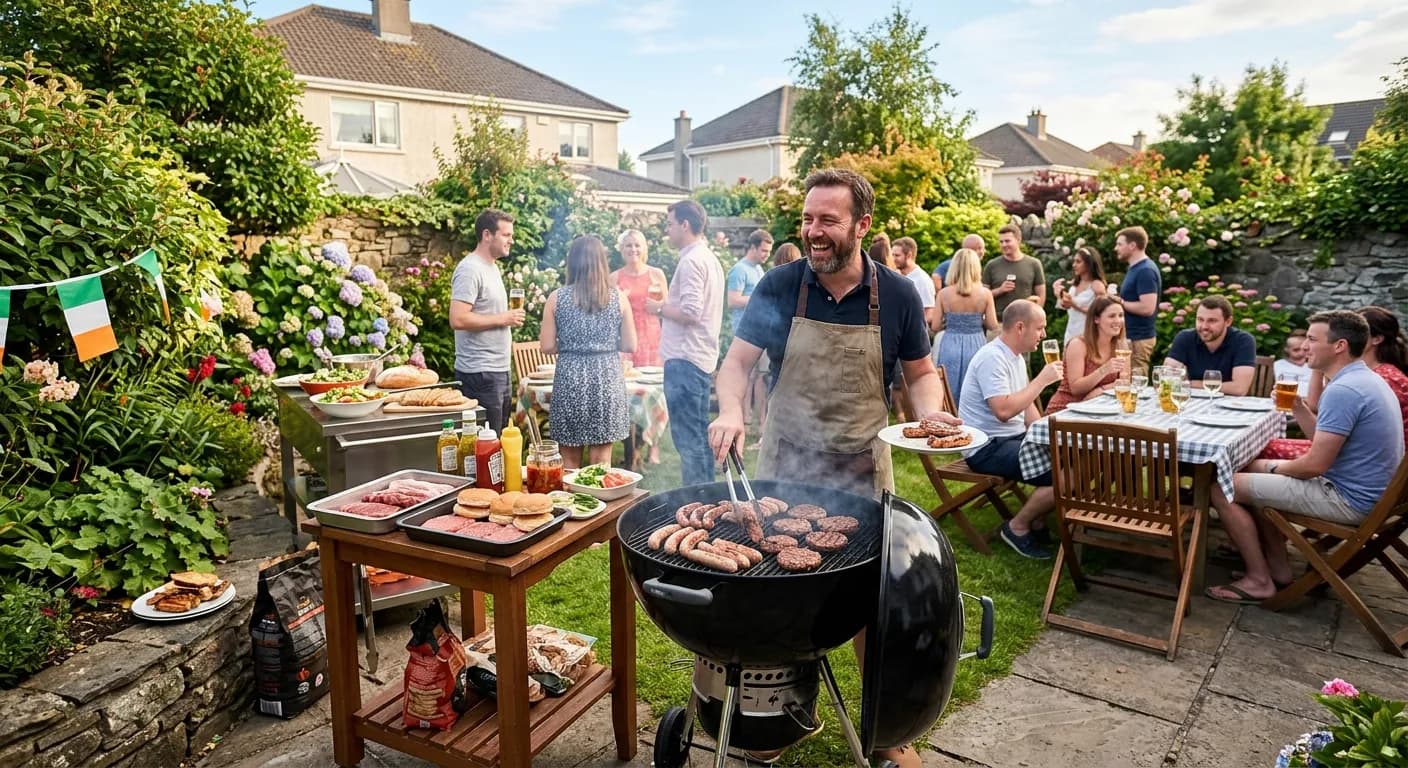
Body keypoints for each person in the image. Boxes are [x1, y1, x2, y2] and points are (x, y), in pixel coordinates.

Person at [708, 168, 955, 768]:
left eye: (828, 221)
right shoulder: (780, 285)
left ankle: (885, 725)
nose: (813, 231)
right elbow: (735, 364)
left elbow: (922, 377)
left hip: (861, 473)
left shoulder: (895, 294)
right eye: (807, 219)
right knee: (773, 598)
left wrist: (928, 418)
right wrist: (732, 410)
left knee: (875, 601)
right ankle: (763, 718)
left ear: (862, 225)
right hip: (783, 469)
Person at [1205, 310, 1404, 604]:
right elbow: (1321, 443)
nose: (1304, 346)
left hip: (1349, 499)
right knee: (1248, 468)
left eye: (1312, 339)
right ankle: (1278, 569)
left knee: (1221, 485)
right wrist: (1298, 407)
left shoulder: (1344, 390)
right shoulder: (1363, 378)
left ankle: (1259, 580)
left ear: (1340, 346)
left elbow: (1315, 465)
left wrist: (1273, 469)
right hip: (1374, 494)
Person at [958, 301, 1064, 559]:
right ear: (1020, 327)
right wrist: (1042, 380)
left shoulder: (1014, 356)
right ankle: (1018, 527)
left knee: (1070, 456)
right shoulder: (992, 358)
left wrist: (1044, 434)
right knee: (1065, 474)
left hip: (1011, 439)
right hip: (986, 447)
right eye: (1040, 328)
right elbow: (1003, 411)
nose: (1044, 335)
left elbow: (1028, 411)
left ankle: (1037, 520)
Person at [1261, 307, 1408, 461]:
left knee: (1260, 454)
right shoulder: (1360, 374)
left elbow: (1317, 409)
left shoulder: (1378, 380)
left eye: (1361, 329)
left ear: (1376, 339)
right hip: (1352, 452)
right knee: (1264, 447)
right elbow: (1320, 413)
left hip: (1366, 463)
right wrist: (1322, 361)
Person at [540, 236, 636, 469]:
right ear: (602, 262)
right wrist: (603, 343)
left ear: (572, 262)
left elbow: (547, 346)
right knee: (601, 461)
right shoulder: (618, 298)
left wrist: (573, 344)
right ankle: (603, 504)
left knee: (569, 461)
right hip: (606, 379)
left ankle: (574, 505)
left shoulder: (557, 297)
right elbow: (630, 345)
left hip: (570, 379)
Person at [647, 199, 725, 486]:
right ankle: (707, 499)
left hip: (685, 361)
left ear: (684, 224)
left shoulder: (692, 261)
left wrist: (658, 308)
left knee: (688, 441)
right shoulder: (708, 258)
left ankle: (696, 502)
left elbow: (692, 312)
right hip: (699, 359)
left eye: (669, 224)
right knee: (697, 436)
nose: (667, 230)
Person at [450, 208, 522, 432]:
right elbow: (458, 318)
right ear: (487, 235)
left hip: (498, 370)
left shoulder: (492, 267)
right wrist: (503, 318)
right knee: (484, 445)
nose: (511, 240)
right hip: (479, 374)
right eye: (506, 235)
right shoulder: (470, 270)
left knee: (498, 441)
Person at [934, 248, 998, 400]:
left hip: (950, 342)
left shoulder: (944, 294)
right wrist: (975, 320)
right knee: (975, 388)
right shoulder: (985, 294)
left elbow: (935, 326)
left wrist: (951, 321)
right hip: (976, 343)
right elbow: (992, 324)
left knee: (948, 390)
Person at [727, 229, 774, 434]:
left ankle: (755, 420)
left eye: (768, 251)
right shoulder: (740, 270)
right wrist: (760, 299)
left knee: (759, 378)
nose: (766, 255)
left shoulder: (758, 269)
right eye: (763, 250)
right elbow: (733, 300)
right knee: (745, 377)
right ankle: (743, 419)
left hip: (761, 331)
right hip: (744, 332)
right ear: (753, 247)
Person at [1045, 296, 1127, 414]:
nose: (1118, 321)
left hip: (1101, 410)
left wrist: (1100, 390)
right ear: (1096, 319)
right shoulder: (1078, 345)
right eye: (1112, 316)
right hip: (1067, 410)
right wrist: (1105, 370)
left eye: (1121, 315)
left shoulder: (1120, 346)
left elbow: (1125, 382)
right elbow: (1076, 388)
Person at [1162, 295, 1256, 394]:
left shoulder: (1243, 341)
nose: (1204, 326)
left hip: (1230, 405)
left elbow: (1239, 389)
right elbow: (1168, 379)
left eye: (1212, 321)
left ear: (1228, 321)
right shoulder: (1185, 338)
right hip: (1191, 404)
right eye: (1200, 319)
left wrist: (1189, 384)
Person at [611, 229, 668, 368]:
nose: (633, 249)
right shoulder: (613, 278)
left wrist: (659, 306)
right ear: (621, 249)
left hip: (652, 335)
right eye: (628, 245)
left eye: (637, 245)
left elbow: (668, 305)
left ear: (644, 248)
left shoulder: (657, 274)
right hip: (625, 334)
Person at [1112, 226, 1160, 378]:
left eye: (1120, 244)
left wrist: (1121, 302)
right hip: (1132, 336)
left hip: (1139, 338)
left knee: (1135, 384)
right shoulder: (1135, 268)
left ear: (1132, 245)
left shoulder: (1145, 270)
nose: (1116, 248)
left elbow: (1147, 307)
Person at [982, 225, 1046, 319]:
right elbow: (982, 296)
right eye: (1001, 242)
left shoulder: (1034, 264)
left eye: (1007, 241)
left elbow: (1041, 295)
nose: (1004, 245)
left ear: (1018, 240)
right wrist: (1000, 290)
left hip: (1025, 321)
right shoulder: (992, 265)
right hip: (999, 323)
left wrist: (1036, 318)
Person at [1051, 246, 1107, 344]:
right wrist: (1059, 295)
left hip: (1087, 333)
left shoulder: (1097, 285)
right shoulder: (1075, 284)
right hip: (1071, 331)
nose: (1074, 265)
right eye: (1074, 261)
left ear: (1089, 263)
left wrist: (1073, 304)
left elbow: (1100, 312)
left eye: (1078, 262)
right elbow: (1067, 307)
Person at [892, 237, 936, 331]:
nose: (893, 259)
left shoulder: (922, 280)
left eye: (897, 255)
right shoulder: (894, 275)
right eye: (892, 255)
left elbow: (929, 312)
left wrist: (912, 328)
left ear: (909, 255)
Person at [1273, 331, 1311, 396]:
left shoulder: (1313, 366)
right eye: (1296, 350)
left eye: (1304, 350)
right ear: (1286, 349)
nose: (1301, 353)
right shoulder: (1278, 364)